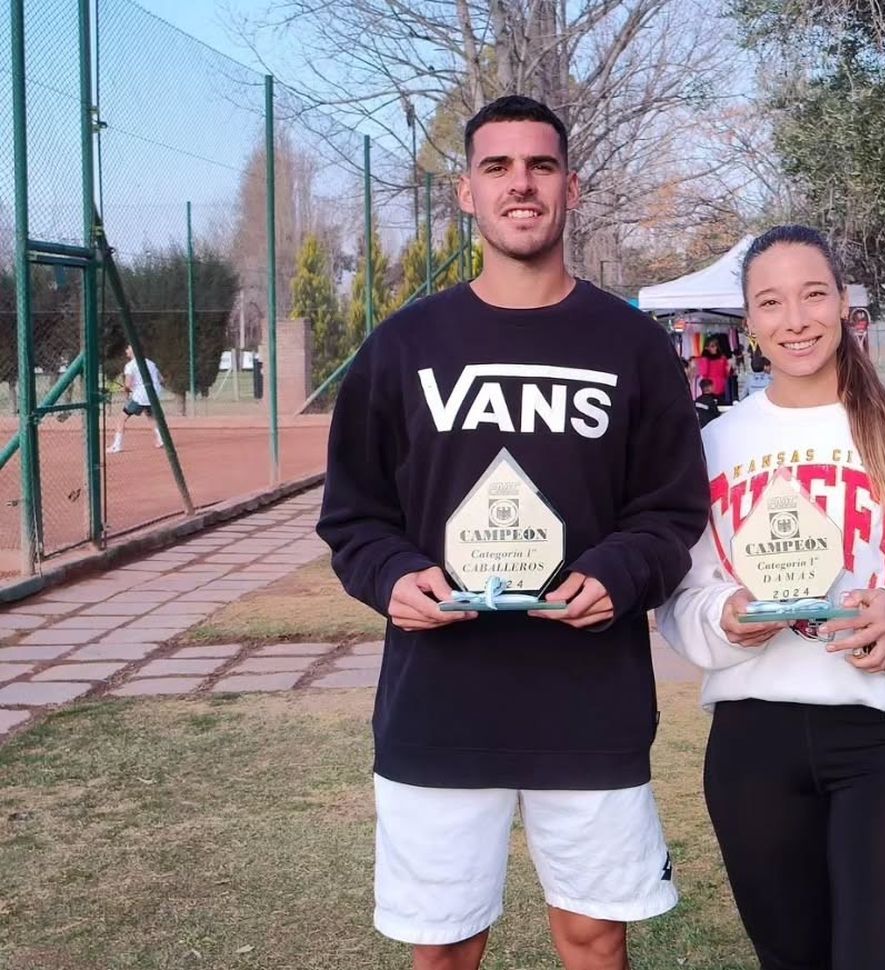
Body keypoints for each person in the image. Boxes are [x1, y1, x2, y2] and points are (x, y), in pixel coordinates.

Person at [316, 95, 710, 970]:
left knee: (593, 936)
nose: (519, 184)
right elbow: (353, 514)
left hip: (589, 698)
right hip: (438, 701)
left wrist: (618, 571)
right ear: (467, 192)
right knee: (444, 946)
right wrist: (391, 578)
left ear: (570, 188)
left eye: (539, 167)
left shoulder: (633, 345)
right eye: (497, 167)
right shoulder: (403, 346)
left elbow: (673, 508)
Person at [656, 225, 885, 970]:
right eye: (771, 302)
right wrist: (724, 618)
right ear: (749, 320)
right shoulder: (719, 442)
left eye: (814, 295)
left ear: (844, 304)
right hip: (755, 743)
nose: (796, 319)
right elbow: (683, 597)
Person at [107, 345, 163, 454]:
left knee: (121, 419)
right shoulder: (151, 363)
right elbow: (161, 379)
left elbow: (128, 385)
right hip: (154, 395)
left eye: (128, 348)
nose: (126, 350)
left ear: (133, 351)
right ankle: (161, 440)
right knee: (151, 417)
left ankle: (117, 446)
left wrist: (126, 391)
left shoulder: (130, 366)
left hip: (141, 396)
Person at [697, 336, 732, 405]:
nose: (714, 348)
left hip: (721, 387)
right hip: (710, 387)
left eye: (715, 346)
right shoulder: (705, 359)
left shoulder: (722, 357)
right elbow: (704, 373)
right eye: (712, 346)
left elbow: (726, 373)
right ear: (707, 347)